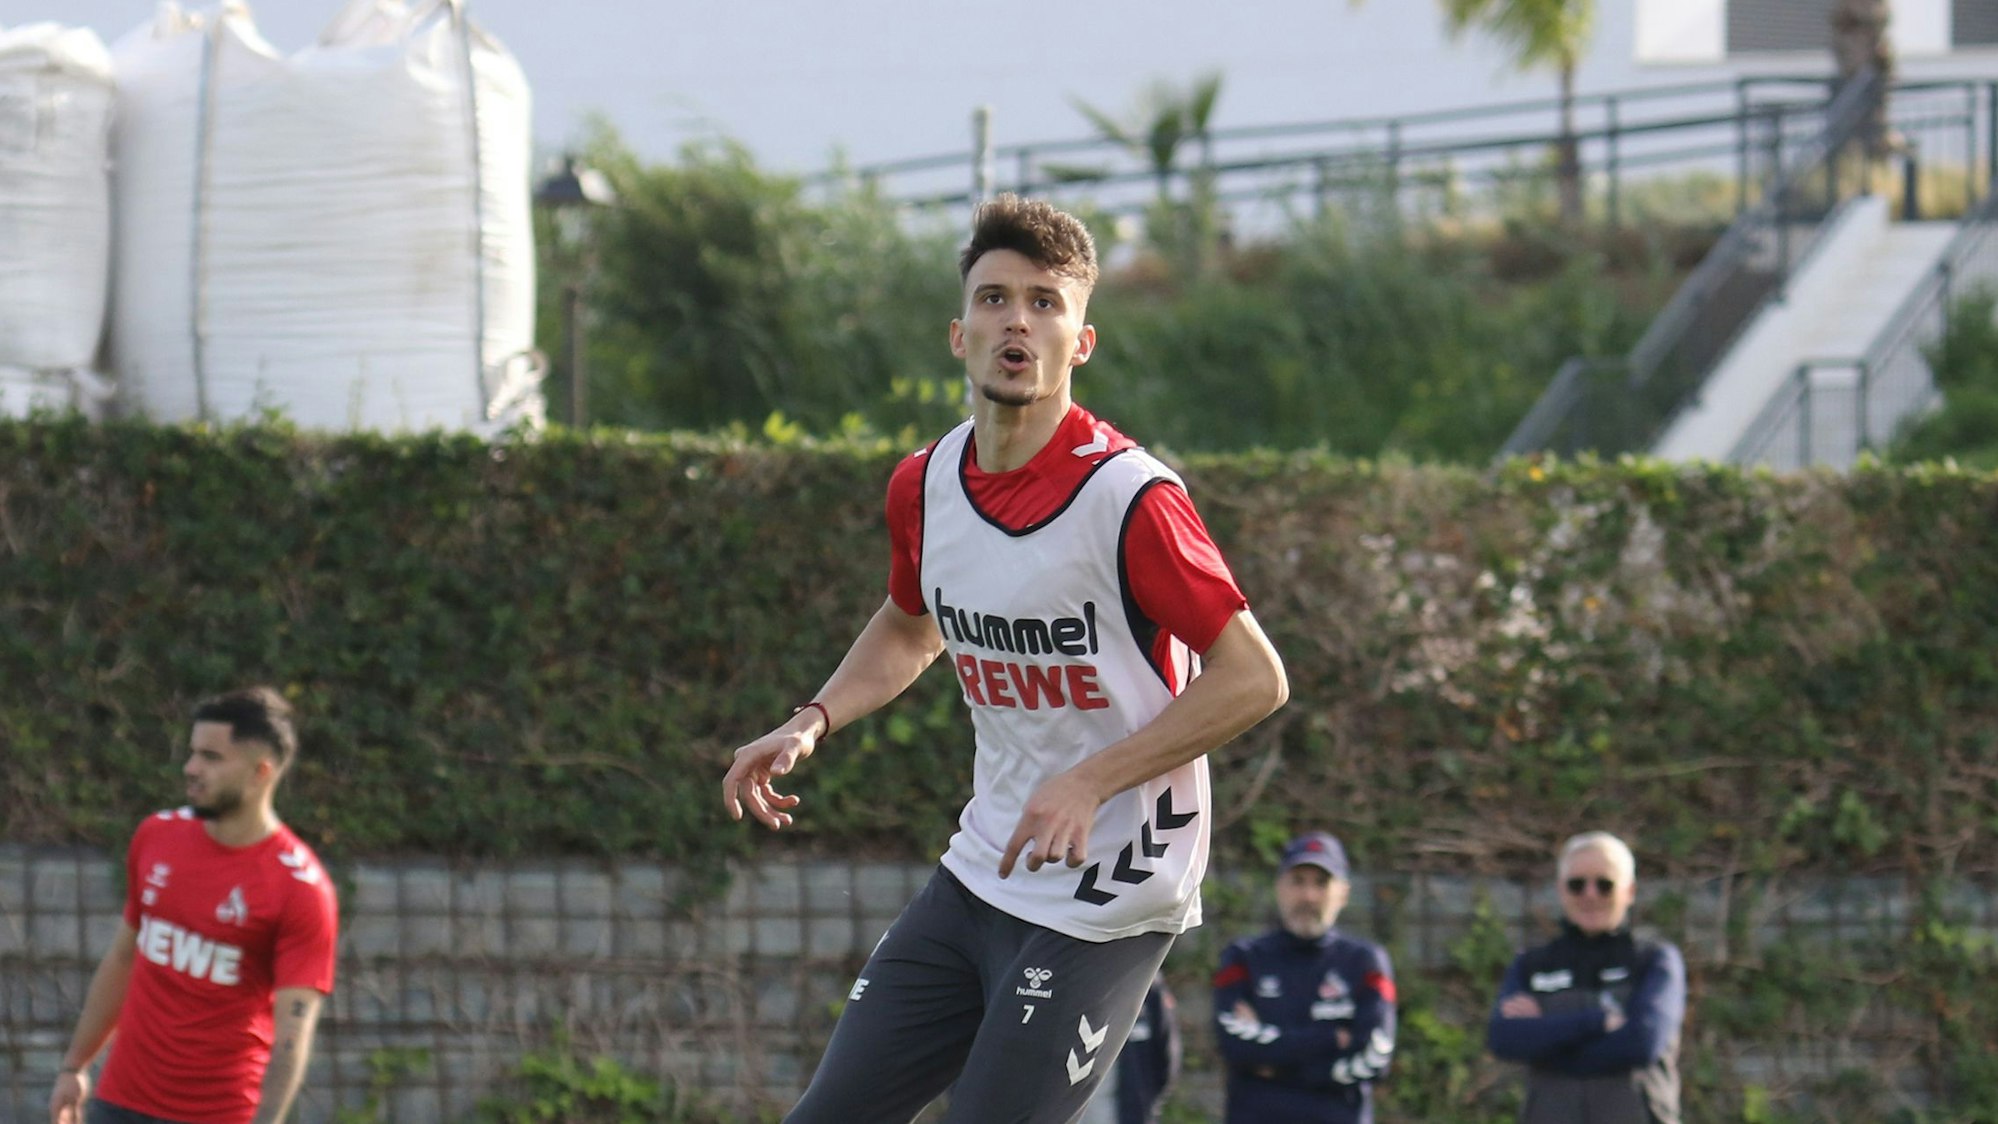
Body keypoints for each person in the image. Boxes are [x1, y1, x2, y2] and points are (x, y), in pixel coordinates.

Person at [722, 192, 1289, 1123]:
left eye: (1044, 301)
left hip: (1114, 885)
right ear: (959, 333)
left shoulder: (1130, 498)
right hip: (985, 866)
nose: (1016, 320)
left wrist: (1090, 781)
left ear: (1081, 341)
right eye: (994, 299)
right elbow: (911, 627)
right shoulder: (926, 483)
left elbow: (1255, 678)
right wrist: (811, 719)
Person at [48, 687, 340, 1124]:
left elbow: (292, 1037)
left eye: (211, 757)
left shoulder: (300, 888)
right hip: (120, 1101)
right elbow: (125, 958)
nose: (191, 769)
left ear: (260, 772)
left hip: (219, 1114)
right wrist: (74, 1065)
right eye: (192, 753)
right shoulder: (157, 836)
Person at [1487, 831, 1685, 1124]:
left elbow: (1643, 1042)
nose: (1590, 894)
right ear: (1560, 889)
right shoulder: (1532, 964)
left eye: (1604, 885)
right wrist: (1595, 1022)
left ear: (1629, 891)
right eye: (1577, 884)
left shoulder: (1653, 960)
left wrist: (1547, 1043)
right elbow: (1504, 1038)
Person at [1211, 831, 1398, 1124]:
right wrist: (1330, 1039)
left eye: (1321, 883)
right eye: (1298, 882)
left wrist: (1276, 1066)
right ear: (1279, 887)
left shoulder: (1366, 963)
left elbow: (1376, 1057)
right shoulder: (1243, 958)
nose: (1308, 896)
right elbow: (1234, 1045)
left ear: (1343, 893)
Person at [1078, 971, 1181, 1124]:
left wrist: (1148, 1100)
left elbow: (1166, 1055)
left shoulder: (1148, 983)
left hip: (1133, 1111)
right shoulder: (1073, 981)